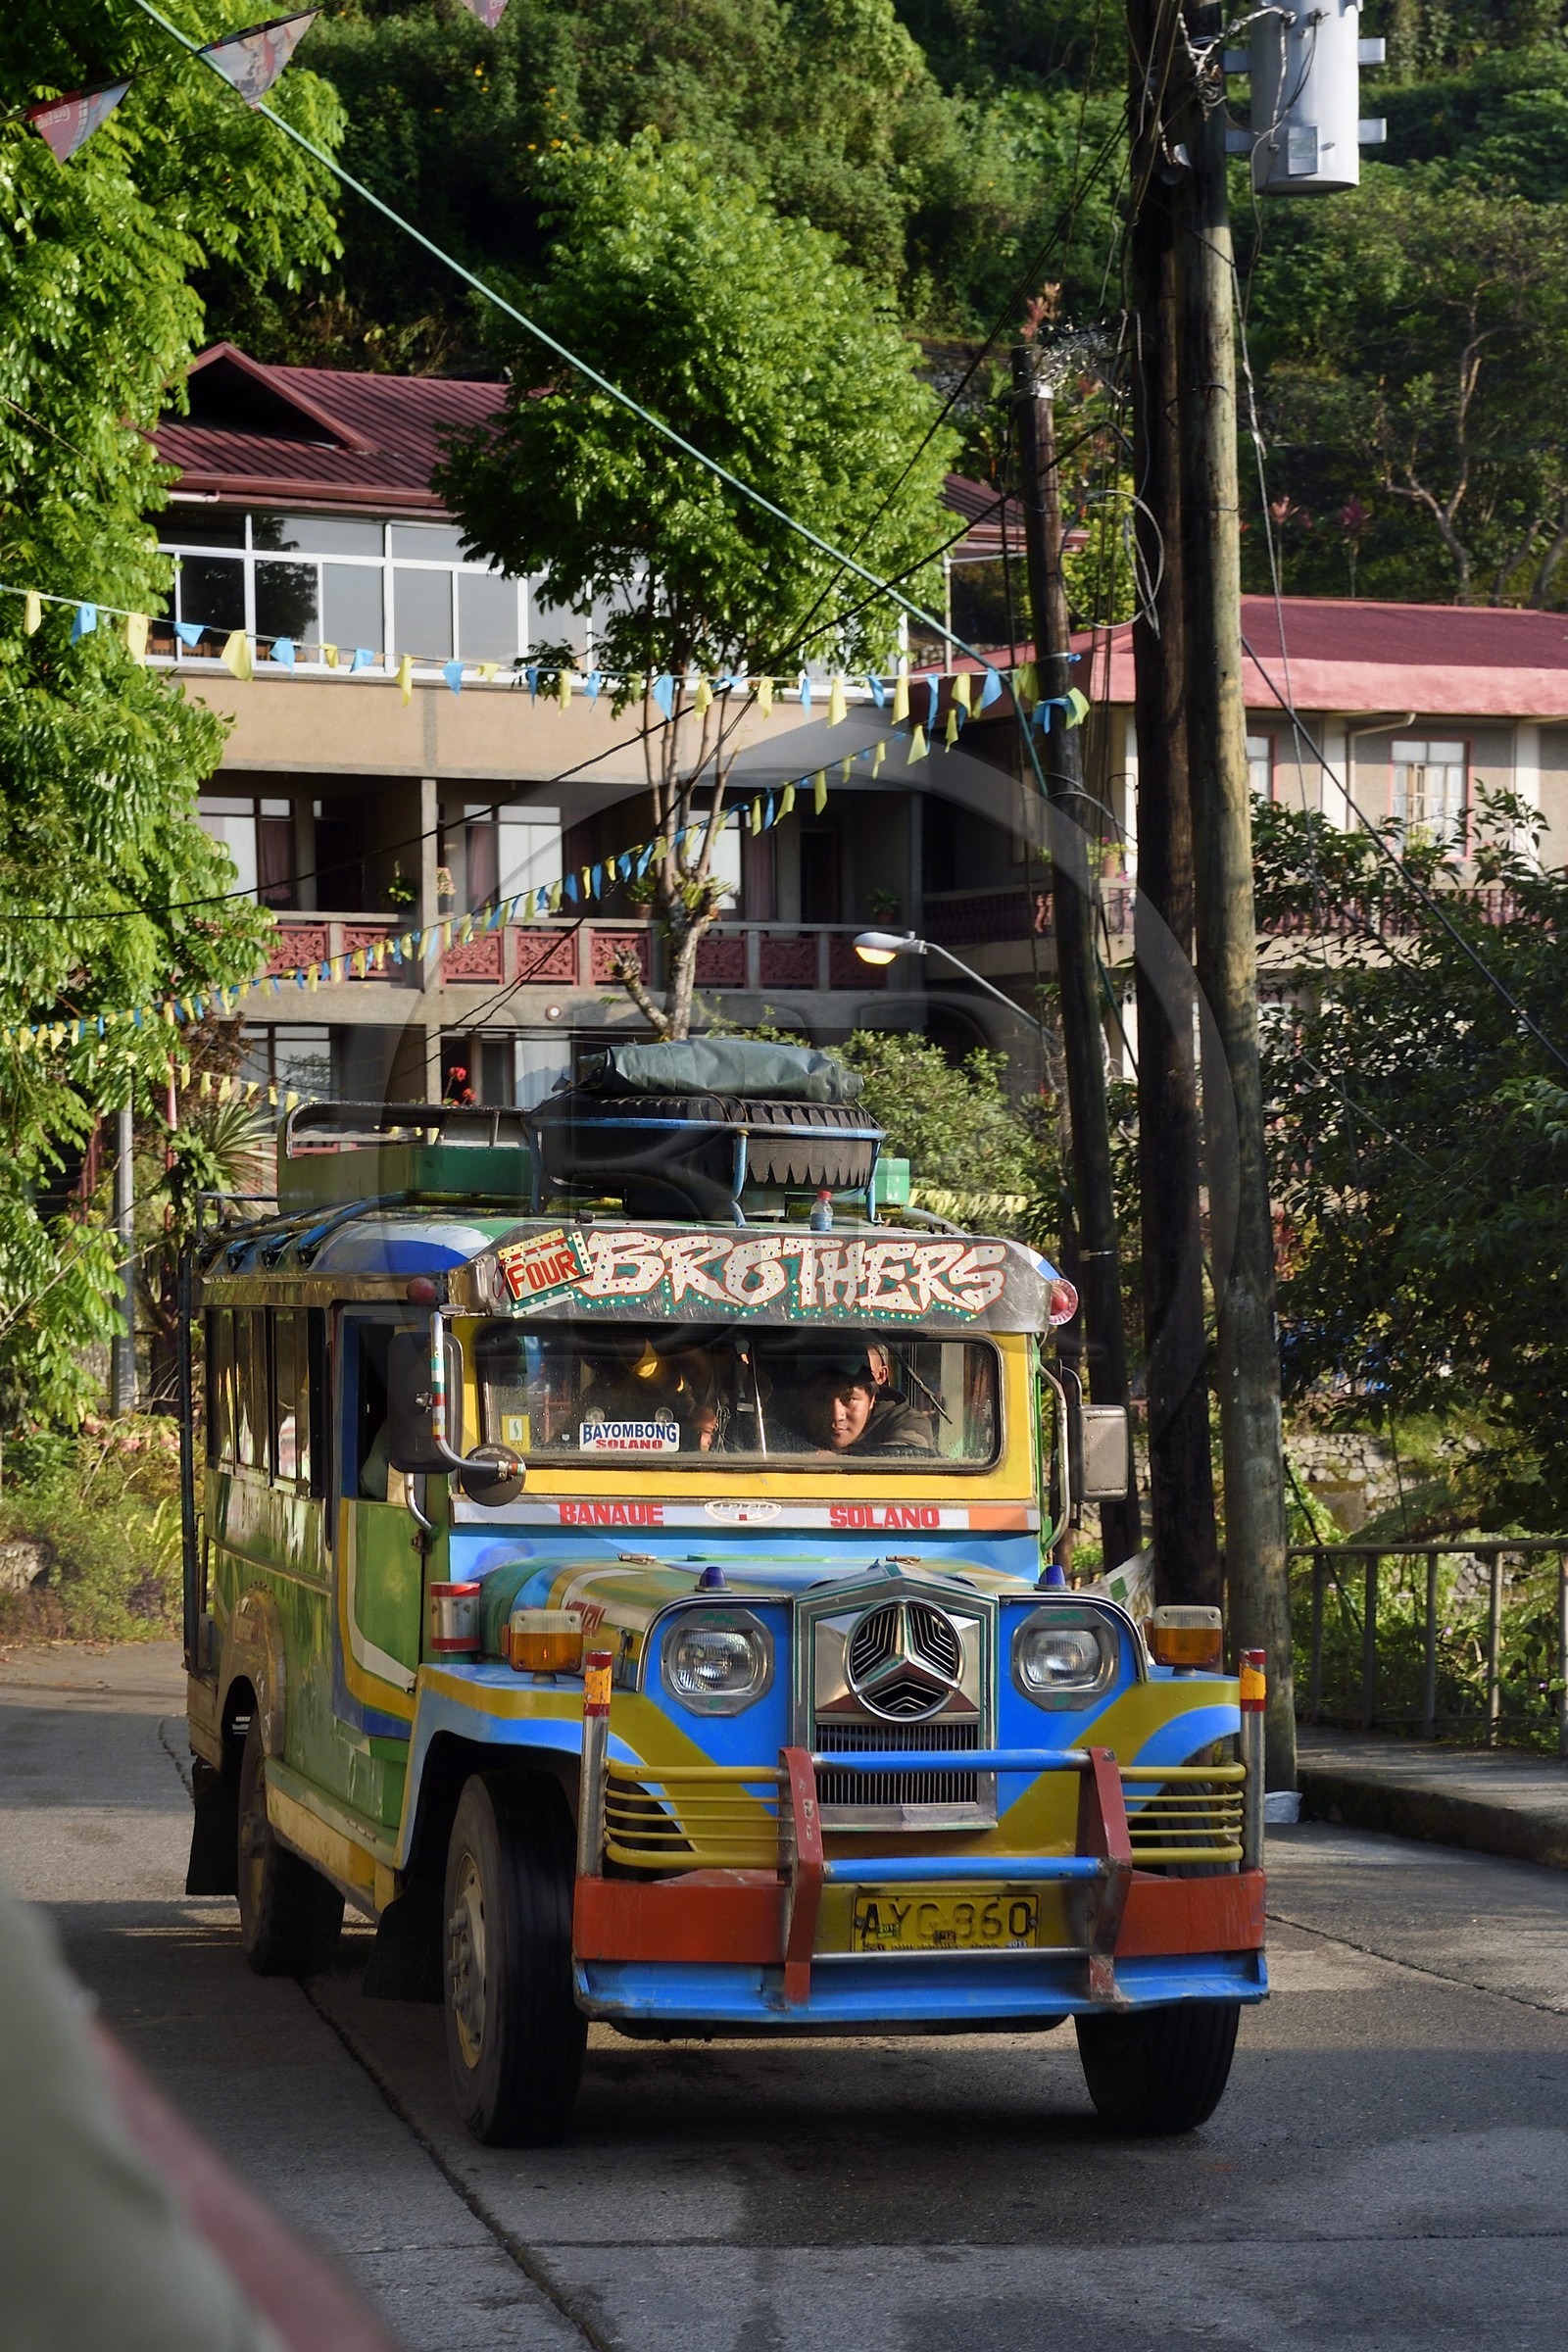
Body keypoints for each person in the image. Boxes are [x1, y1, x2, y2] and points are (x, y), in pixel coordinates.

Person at [776, 1348, 935, 1458]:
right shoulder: (782, 1424)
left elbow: (912, 1453)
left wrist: (835, 1460)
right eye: (820, 1399)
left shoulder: (905, 1423)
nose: (836, 1414)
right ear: (804, 1399)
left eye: (849, 1399)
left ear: (872, 1398)